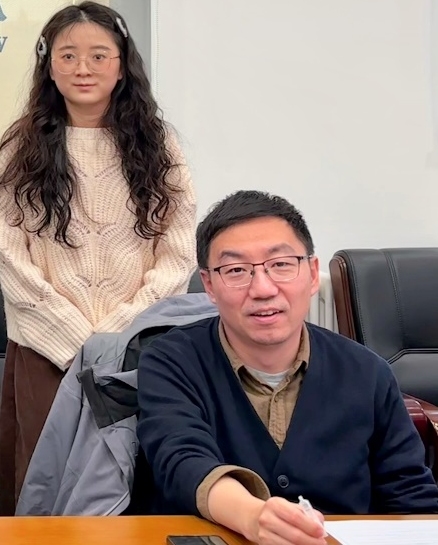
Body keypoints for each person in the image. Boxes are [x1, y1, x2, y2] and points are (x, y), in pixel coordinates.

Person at [0, 0, 197, 513]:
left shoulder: (159, 146)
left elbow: (177, 255)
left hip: (136, 354)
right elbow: (7, 253)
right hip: (45, 349)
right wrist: (76, 338)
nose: (83, 68)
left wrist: (115, 337)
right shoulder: (21, 145)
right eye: (68, 55)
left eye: (99, 55)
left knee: (136, 484)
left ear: (122, 65)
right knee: (44, 491)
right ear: (49, 66)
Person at [138, 190, 438, 541]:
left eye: (280, 265)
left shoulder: (367, 372)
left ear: (312, 274)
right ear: (210, 285)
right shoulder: (171, 360)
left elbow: (411, 497)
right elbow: (181, 460)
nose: (263, 289)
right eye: (236, 270)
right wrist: (253, 516)